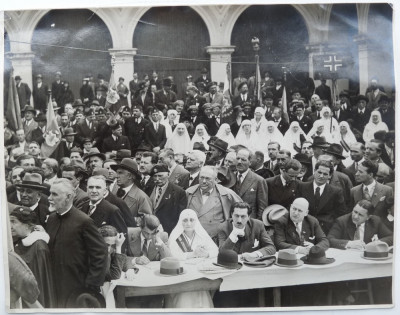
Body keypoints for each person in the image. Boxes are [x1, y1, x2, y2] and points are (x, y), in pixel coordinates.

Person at [46, 178, 107, 308]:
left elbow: (100, 253)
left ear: (68, 197)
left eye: (54, 194)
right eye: (50, 193)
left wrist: (91, 284)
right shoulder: (51, 219)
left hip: (76, 285)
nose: (49, 198)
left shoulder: (84, 221)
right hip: (54, 283)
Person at [166, 209, 218, 308]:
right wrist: (192, 254)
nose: (188, 223)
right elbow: (171, 256)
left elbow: (216, 251)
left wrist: (206, 254)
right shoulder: (175, 236)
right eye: (185, 220)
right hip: (182, 275)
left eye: (191, 220)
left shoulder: (201, 235)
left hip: (199, 273)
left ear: (196, 221)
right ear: (180, 221)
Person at [10, 207, 56, 308]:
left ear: (27, 225)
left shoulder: (39, 248)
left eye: (14, 222)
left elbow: (41, 288)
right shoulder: (19, 242)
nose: (10, 226)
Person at [186, 166, 242, 241]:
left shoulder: (226, 194)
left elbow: (242, 210)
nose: (204, 181)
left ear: (216, 180)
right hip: (192, 238)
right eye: (201, 177)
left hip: (216, 240)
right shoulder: (189, 192)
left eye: (208, 178)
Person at [296, 160, 346, 234]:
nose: (321, 176)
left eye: (325, 174)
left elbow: (340, 213)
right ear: (314, 171)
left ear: (330, 175)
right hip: (303, 227)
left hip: (325, 230)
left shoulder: (336, 192)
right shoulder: (302, 187)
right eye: (319, 172)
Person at [328, 199, 393, 249]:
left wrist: (377, 243)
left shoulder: (375, 221)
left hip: (367, 255)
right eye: (355, 212)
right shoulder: (342, 221)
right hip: (348, 255)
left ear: (368, 217)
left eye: (360, 215)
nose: (355, 216)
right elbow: (330, 239)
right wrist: (349, 243)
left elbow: (391, 237)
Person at [149, 164, 188, 235]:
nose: (157, 179)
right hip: (149, 229)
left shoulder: (178, 192)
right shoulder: (149, 188)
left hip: (168, 230)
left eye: (160, 176)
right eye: (155, 176)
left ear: (168, 175)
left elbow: (180, 215)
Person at [232, 148, 268, 220]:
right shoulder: (230, 177)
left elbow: (262, 208)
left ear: (250, 162)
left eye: (243, 160)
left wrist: (255, 225)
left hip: (249, 221)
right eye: (238, 158)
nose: (239, 162)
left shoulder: (259, 180)